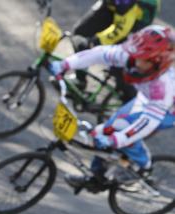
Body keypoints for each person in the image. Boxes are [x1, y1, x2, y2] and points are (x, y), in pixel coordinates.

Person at [49, 25, 175, 193]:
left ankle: (143, 166)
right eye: (136, 56)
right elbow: (100, 54)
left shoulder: (163, 84)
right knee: (105, 130)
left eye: (143, 60)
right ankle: (96, 177)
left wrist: (119, 140)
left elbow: (148, 122)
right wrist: (66, 64)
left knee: (121, 129)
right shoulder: (134, 55)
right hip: (146, 98)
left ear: (159, 62)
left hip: (168, 109)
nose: (136, 62)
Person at [70, 0, 161, 101]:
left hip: (137, 15)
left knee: (119, 62)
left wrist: (96, 41)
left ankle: (130, 101)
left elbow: (122, 28)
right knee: (81, 34)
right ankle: (80, 81)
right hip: (113, 5)